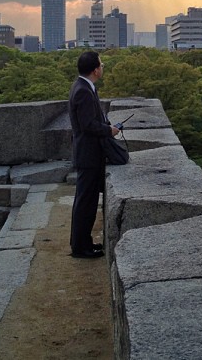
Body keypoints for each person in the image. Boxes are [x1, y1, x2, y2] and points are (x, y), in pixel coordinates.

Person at [69, 51, 120, 259]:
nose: (103, 67)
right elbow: (87, 125)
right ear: (95, 69)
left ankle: (84, 243)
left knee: (86, 201)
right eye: (101, 64)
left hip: (89, 154)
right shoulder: (83, 90)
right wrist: (109, 130)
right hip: (88, 155)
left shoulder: (83, 86)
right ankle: (81, 248)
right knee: (85, 202)